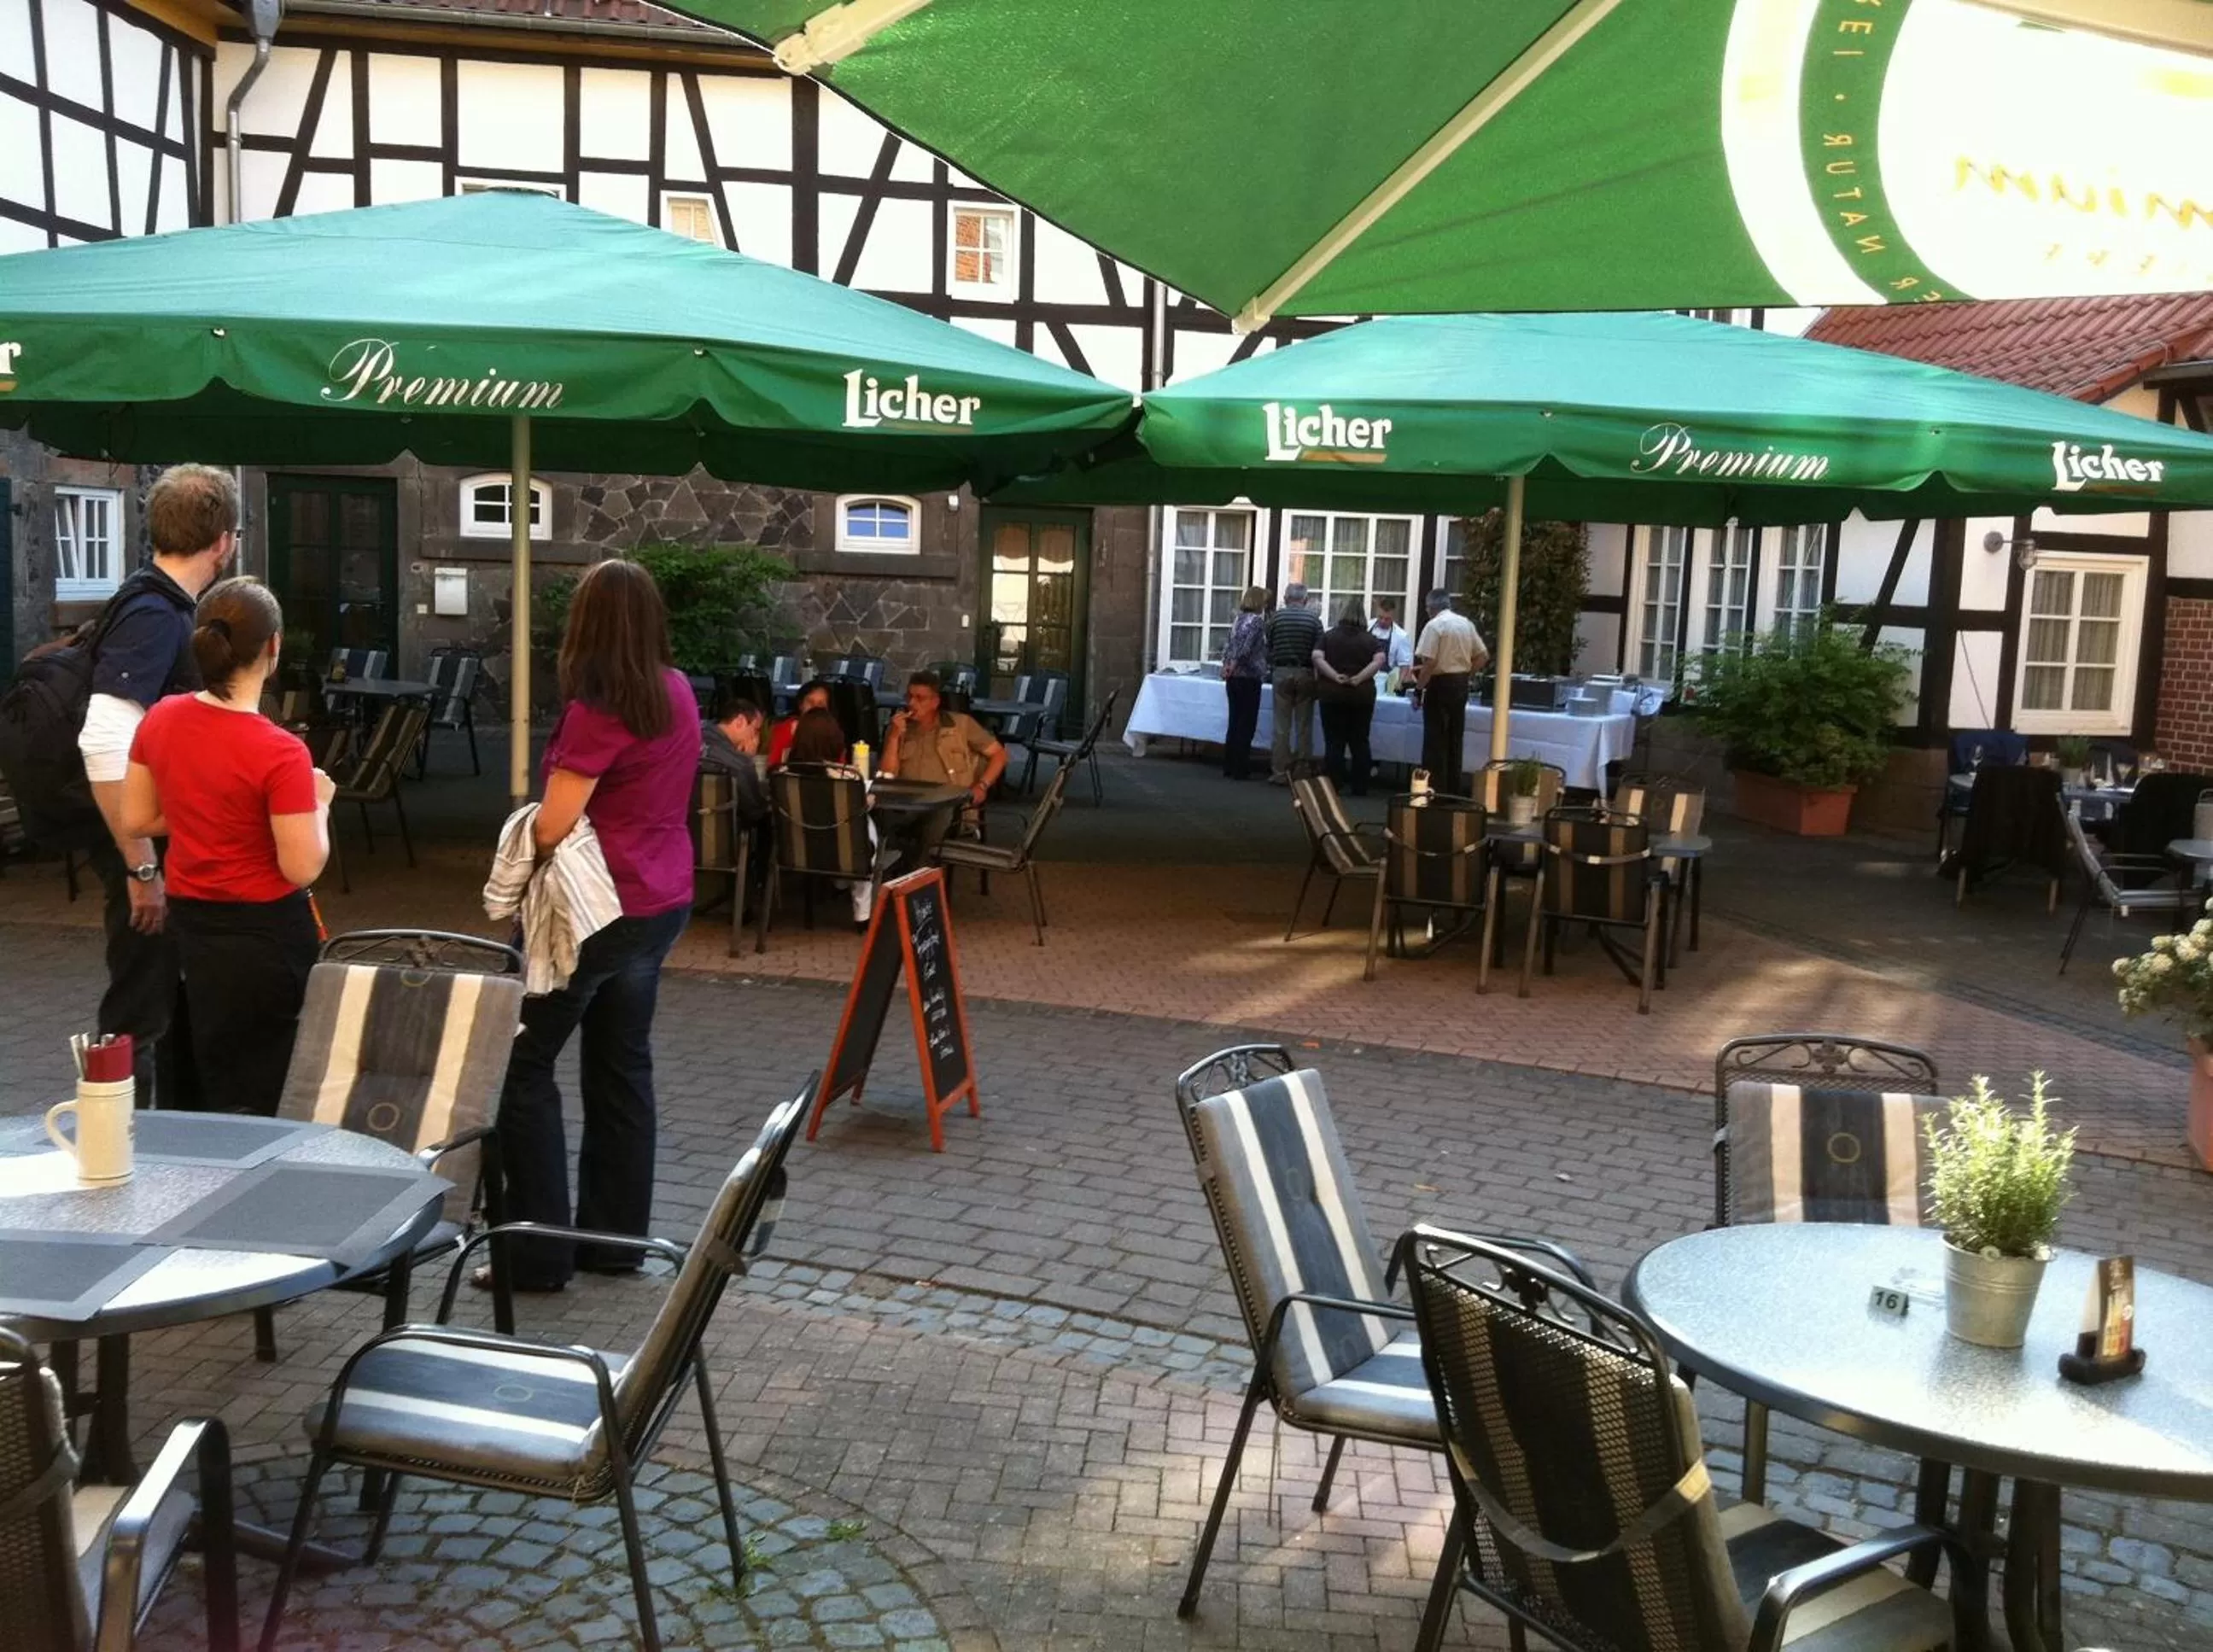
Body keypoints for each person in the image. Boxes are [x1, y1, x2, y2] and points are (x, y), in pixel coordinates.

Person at [494, 558, 700, 1294]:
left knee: (521, 1064)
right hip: (660, 900)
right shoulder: (676, 691)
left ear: (586, 625)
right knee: (621, 1066)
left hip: (592, 911)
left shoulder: (599, 706)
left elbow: (557, 819)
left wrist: (524, 851)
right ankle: (613, 1243)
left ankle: (537, 1253)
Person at [120, 578, 334, 1117]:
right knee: (266, 1092)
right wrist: (321, 803)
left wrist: (205, 809)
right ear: (274, 647)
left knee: (197, 1076)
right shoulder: (281, 752)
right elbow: (303, 865)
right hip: (265, 938)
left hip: (191, 928)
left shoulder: (161, 717)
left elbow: (137, 817)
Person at [76, 463, 240, 1110]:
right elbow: (105, 739)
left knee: (165, 1002)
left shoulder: (167, 606)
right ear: (223, 540)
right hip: (141, 852)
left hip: (154, 846)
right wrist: (141, 867)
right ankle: (114, 1154)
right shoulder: (152, 615)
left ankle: (163, 1149)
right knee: (137, 1009)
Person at [781, 705, 880, 926]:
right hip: (843, 851)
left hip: (796, 850)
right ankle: (861, 913)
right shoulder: (845, 779)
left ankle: (841, 882)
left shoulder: (782, 777)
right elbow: (858, 805)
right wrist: (870, 800)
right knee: (865, 826)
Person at [1410, 589, 1489, 797]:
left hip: (1439, 684)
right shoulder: (1466, 624)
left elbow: (1430, 662)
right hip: (1460, 684)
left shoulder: (1434, 626)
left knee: (1435, 740)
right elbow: (1482, 656)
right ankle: (1453, 790)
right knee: (1455, 738)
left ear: (1431, 608)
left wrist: (1419, 690)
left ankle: (1434, 789)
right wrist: (1466, 674)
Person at [1314, 600, 1386, 797]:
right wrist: (1360, 678)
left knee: (1334, 741)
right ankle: (1360, 786)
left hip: (1332, 694)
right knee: (1360, 741)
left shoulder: (1329, 636)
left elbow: (1316, 657)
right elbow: (1380, 660)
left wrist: (1334, 676)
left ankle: (1334, 785)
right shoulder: (1370, 639)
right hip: (1361, 696)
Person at [1264, 582, 1323, 785]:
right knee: (1304, 726)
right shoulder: (1314, 620)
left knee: (1281, 727)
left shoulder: (1276, 618)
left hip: (1281, 672)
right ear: (1305, 600)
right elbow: (1319, 651)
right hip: (1305, 673)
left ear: (1286, 598)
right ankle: (1302, 772)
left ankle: (1280, 772)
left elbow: (1268, 645)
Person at [1218, 586, 1269, 781]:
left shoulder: (1238, 619)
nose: (1265, 605)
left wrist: (1226, 665)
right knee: (1247, 723)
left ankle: (1229, 764)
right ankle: (1241, 766)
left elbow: (1229, 645)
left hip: (1233, 677)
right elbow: (1246, 648)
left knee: (1234, 721)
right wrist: (1235, 664)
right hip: (1249, 676)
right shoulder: (1257, 622)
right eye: (1264, 601)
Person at [699, 690, 770, 827]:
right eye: (755, 730)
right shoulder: (739, 763)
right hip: (721, 834)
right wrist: (747, 759)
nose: (757, 738)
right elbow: (754, 811)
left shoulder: (692, 737)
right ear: (740, 722)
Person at [766, 680, 833, 768]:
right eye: (810, 702)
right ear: (801, 705)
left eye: (821, 704)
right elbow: (772, 766)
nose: (815, 708)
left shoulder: (833, 733)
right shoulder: (782, 730)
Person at [1369, 598, 1415, 675]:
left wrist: (1399, 684)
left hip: (1385, 677)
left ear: (1394, 616)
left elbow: (1404, 664)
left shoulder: (1401, 636)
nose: (1383, 621)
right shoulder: (1367, 626)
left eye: (1387, 619)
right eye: (1380, 617)